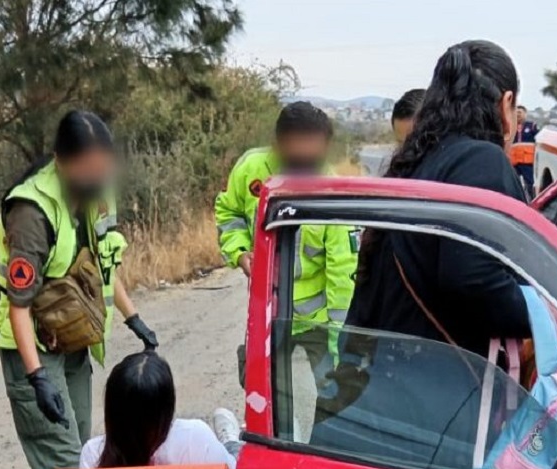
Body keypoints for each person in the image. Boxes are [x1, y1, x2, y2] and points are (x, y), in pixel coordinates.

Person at [0, 110, 157, 469]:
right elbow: (19, 306)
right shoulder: (31, 213)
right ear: (61, 162)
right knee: (66, 464)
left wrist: (133, 317)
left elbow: (102, 265)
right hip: (30, 346)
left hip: (74, 335)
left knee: (75, 445)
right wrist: (36, 378)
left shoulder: (97, 193)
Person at [344, 40, 531, 360]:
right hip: (443, 388)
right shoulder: (483, 160)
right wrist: (539, 316)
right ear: (506, 103)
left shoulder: (412, 162)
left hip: (386, 374)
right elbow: (473, 277)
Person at [215, 102, 357, 388]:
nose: (303, 169)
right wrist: (240, 253)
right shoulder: (250, 169)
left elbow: (343, 276)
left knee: (333, 395)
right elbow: (228, 213)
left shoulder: (334, 192)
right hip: (266, 311)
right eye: (295, 159)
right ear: (278, 145)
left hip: (319, 321)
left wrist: (338, 345)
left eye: (312, 161)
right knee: (260, 390)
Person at [80, 351, 242, 469]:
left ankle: (230, 443)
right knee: (238, 457)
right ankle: (231, 442)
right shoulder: (194, 436)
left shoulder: (92, 455)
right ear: (168, 406)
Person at [513, 105, 538, 193]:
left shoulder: (532, 126)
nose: (517, 114)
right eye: (516, 112)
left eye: (520, 112)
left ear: (525, 114)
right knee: (513, 183)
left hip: (527, 161)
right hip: (514, 162)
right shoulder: (511, 127)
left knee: (529, 183)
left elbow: (538, 140)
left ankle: (531, 200)